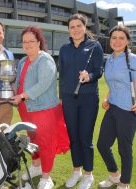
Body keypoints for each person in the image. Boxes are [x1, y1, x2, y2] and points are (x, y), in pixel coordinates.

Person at [10, 26, 70, 189]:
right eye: (25, 41)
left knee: (46, 142)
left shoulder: (45, 60)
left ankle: (46, 177)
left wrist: (22, 96)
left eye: (31, 41)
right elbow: (20, 83)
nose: (27, 44)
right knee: (33, 139)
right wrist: (13, 91)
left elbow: (43, 84)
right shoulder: (23, 60)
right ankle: (36, 167)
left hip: (44, 109)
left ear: (39, 42)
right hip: (26, 108)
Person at [97, 25, 136, 189]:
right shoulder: (109, 59)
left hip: (128, 111)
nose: (117, 41)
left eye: (121, 38)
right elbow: (113, 85)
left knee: (124, 149)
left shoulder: (134, 59)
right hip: (113, 108)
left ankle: (124, 184)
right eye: (114, 38)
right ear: (109, 40)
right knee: (102, 145)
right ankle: (115, 176)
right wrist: (107, 98)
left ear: (127, 41)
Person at [59, 13, 103, 189]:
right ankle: (76, 171)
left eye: (78, 26)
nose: (75, 29)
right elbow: (61, 76)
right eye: (72, 27)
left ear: (85, 27)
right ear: (69, 30)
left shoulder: (95, 46)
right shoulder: (64, 49)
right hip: (69, 99)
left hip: (88, 98)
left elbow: (99, 71)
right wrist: (62, 97)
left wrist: (89, 76)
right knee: (73, 137)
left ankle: (88, 175)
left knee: (85, 137)